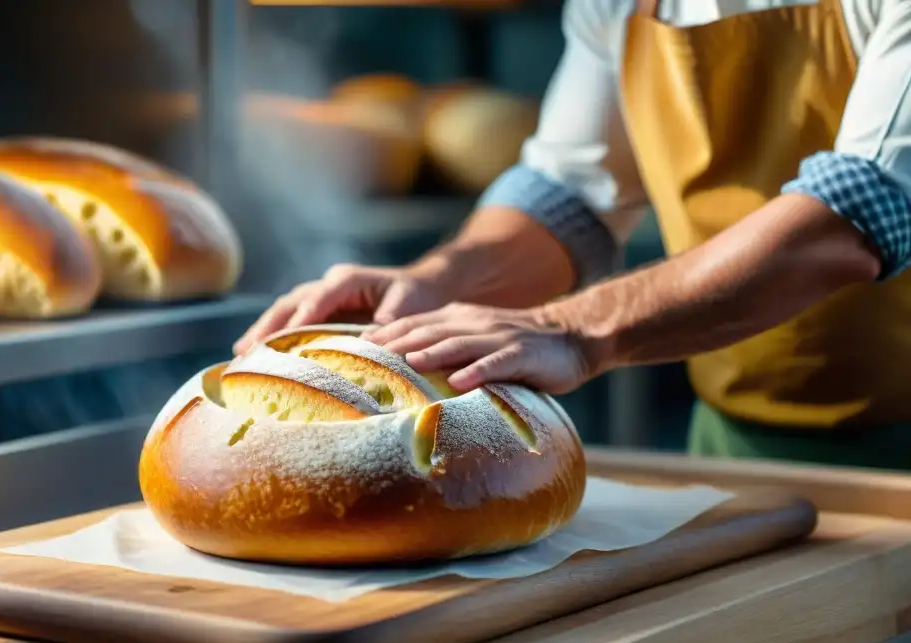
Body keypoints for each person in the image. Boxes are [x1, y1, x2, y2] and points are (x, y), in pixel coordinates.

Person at [239, 0, 911, 473]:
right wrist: (436, 282)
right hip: (740, 444)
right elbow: (567, 197)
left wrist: (572, 331)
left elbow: (854, 215)